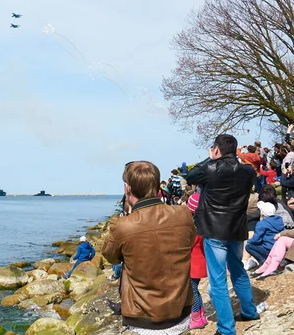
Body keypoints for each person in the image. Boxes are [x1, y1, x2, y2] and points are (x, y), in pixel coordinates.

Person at [102, 161, 195, 334]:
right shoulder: (183, 215)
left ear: (127, 189)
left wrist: (129, 215)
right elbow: (189, 243)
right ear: (156, 186)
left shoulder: (123, 225)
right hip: (180, 310)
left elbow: (111, 257)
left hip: (143, 317)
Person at [186, 134, 260, 335]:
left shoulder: (210, 168)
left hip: (214, 230)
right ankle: (249, 311)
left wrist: (210, 158)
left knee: (218, 280)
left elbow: (190, 176)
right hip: (236, 229)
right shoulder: (247, 172)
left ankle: (227, 329)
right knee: (237, 270)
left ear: (216, 150)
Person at [187, 193, 208, 330]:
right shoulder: (204, 222)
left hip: (193, 264)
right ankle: (201, 314)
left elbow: (189, 244)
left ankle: (196, 317)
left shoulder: (194, 227)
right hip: (200, 262)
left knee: (192, 290)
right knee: (195, 289)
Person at [245, 201, 284, 267]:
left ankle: (263, 262)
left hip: (268, 249)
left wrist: (248, 241)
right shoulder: (279, 220)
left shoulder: (262, 224)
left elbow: (256, 239)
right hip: (279, 248)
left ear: (262, 213)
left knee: (249, 246)